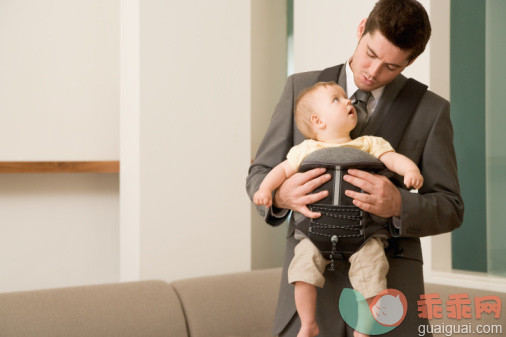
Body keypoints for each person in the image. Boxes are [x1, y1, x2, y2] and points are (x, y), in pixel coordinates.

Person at [246, 0, 464, 336]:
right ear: (361, 28)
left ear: (411, 61)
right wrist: (280, 194)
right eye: (371, 54)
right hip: (309, 295)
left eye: (391, 66)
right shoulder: (299, 88)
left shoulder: (431, 110)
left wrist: (399, 204)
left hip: (389, 290)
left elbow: (450, 207)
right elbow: (260, 172)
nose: (373, 72)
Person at [254, 81, 423, 337]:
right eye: (337, 99)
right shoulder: (306, 150)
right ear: (318, 121)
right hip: (314, 233)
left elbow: (393, 159)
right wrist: (267, 191)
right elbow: (280, 171)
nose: (348, 101)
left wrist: (410, 170)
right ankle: (308, 323)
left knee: (373, 273)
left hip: (363, 234)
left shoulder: (369, 144)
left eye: (346, 98)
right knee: (302, 271)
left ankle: (364, 329)